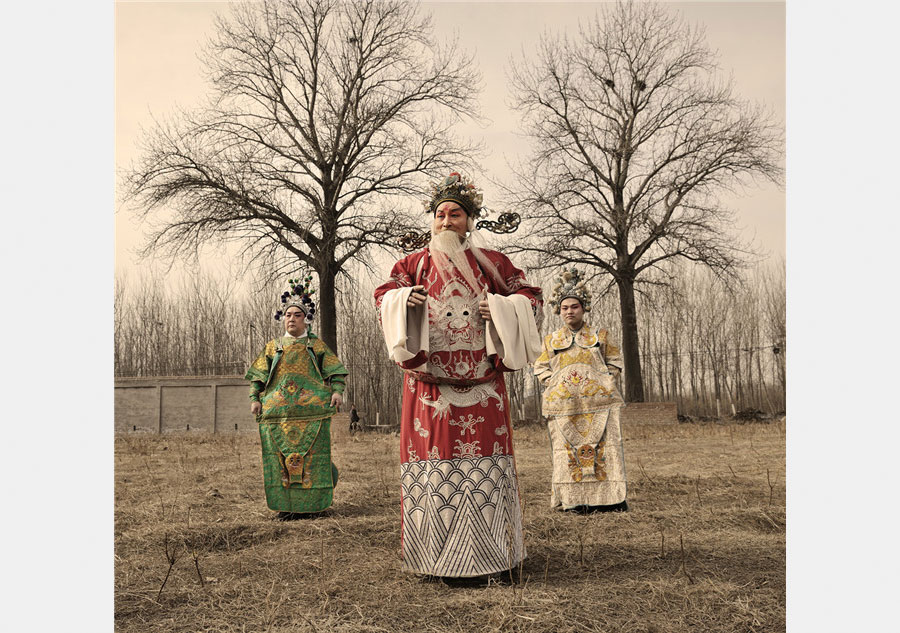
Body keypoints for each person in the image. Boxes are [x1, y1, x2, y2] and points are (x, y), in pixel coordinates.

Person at [374, 172, 543, 578]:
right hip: (431, 390)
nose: (446, 222)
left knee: (488, 469)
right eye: (440, 215)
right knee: (436, 471)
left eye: (455, 215)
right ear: (432, 220)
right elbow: (382, 296)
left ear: (470, 221)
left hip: (484, 387)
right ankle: (434, 560)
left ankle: (494, 560)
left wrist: (501, 308)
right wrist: (403, 301)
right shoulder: (412, 264)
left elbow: (530, 297)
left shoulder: (493, 263)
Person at [245, 275, 349, 519]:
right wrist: (255, 398)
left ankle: (313, 505)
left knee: (313, 458)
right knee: (281, 459)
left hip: (311, 414)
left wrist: (337, 392)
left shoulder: (315, 345)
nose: (292, 319)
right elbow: (258, 376)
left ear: (307, 319)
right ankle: (287, 507)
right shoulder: (273, 347)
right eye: (288, 315)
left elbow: (335, 371)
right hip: (279, 415)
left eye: (297, 315)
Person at [533, 268, 628, 513]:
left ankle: (610, 500)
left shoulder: (600, 336)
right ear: (558, 311)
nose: (569, 312)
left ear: (583, 308)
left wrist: (605, 380)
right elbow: (540, 367)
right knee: (567, 455)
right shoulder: (550, 341)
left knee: (605, 450)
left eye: (574, 307)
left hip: (599, 407)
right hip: (564, 408)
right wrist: (554, 383)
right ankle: (573, 500)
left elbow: (615, 362)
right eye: (564, 308)